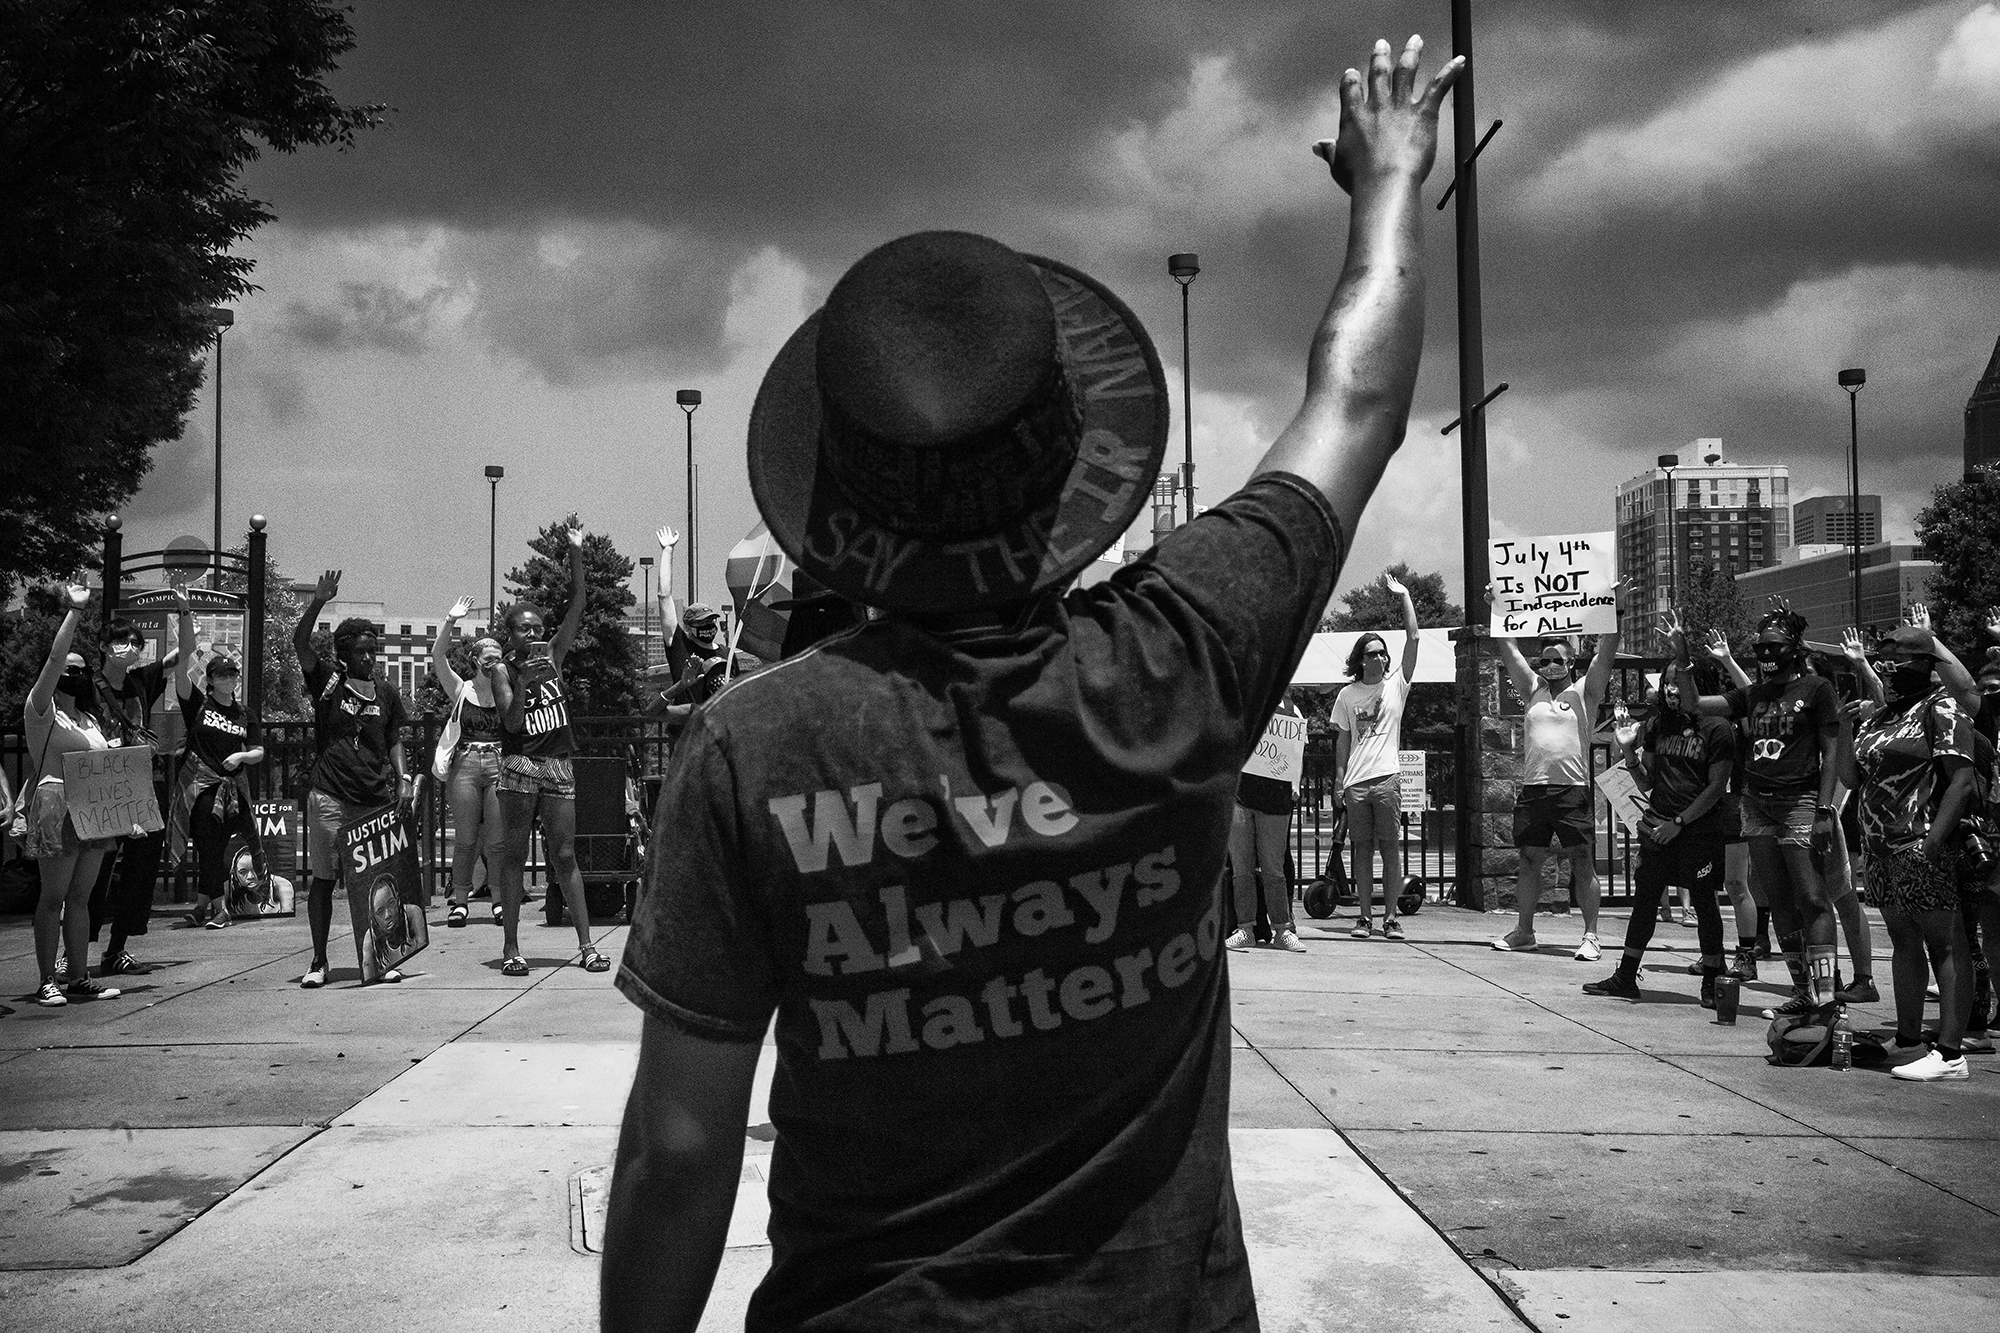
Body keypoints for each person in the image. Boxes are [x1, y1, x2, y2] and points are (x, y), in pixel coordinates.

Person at [601, 36, 1463, 1331]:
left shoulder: (751, 749)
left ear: (839, 501)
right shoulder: (1182, 653)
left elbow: (676, 1157)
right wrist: (1392, 182)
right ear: (1073, 469)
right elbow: (1359, 402)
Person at [1675, 606, 1842, 1016]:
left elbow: (1832, 751)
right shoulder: (1753, 695)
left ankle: (1826, 997)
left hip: (1800, 802)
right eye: (1760, 646)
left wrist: (1824, 810)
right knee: (1780, 901)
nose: (1766, 653)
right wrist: (1682, 658)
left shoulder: (1817, 689)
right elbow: (1695, 704)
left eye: (1774, 646)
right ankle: (1804, 991)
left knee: (1813, 898)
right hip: (1756, 802)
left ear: (1795, 647)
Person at [1848, 626, 1982, 1080]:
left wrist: (1931, 844)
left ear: (1923, 664)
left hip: (1921, 843)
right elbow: (1851, 778)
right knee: (1903, 940)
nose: (1885, 670)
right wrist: (1848, 730)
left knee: (1945, 944)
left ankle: (1950, 1054)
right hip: (1881, 848)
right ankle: (1907, 1039)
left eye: (1894, 663)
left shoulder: (1941, 706)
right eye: (1880, 663)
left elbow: (1960, 781)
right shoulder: (1880, 715)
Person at [493, 523, 608, 977]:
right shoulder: (503, 671)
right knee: (515, 853)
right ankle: (511, 948)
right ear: (510, 634)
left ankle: (586, 945)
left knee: (564, 855)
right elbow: (511, 722)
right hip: (522, 764)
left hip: (558, 764)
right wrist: (523, 681)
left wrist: (576, 552)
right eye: (524, 629)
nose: (534, 634)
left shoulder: (555, 656)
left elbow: (579, 604)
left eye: (538, 628)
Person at [294, 571, 413, 988]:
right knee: (324, 882)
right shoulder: (328, 680)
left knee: (375, 884)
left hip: (374, 798)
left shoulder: (386, 692)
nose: (370, 658)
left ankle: (382, 954)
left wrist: (404, 779)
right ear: (345, 654)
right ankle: (318, 961)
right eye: (362, 652)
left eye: (373, 651)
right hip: (330, 795)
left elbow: (395, 736)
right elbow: (300, 644)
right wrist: (319, 601)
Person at [1583, 676, 1733, 1004]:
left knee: (1705, 904)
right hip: (1657, 830)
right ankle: (1626, 975)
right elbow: (1647, 783)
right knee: (1645, 902)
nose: (1671, 690)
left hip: (1698, 832)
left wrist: (1679, 822)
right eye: (1667, 683)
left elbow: (1716, 787)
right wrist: (1627, 751)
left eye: (1679, 683)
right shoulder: (1657, 725)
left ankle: (1711, 981)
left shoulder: (1717, 727)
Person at [1488, 622, 1619, 961]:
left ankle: (1590, 935)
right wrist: (1496, 610)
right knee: (1530, 859)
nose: (1550, 667)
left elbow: (1606, 652)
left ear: (1571, 661)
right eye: (1544, 661)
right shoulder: (1533, 688)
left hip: (1571, 789)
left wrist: (1614, 611)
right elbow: (1509, 649)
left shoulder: (1585, 691)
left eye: (1557, 660)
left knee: (1581, 859)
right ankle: (1524, 932)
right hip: (1535, 788)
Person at [23, 583, 124, 1007]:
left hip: (93, 808)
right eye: (70, 666)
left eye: (81, 668)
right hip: (58, 801)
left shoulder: (87, 718)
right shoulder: (41, 710)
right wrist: (75, 613)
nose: (73, 673)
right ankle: (48, 978)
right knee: (54, 897)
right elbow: (52, 659)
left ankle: (79, 975)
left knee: (82, 898)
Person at [165, 586, 268, 929]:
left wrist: (241, 757)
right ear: (209, 681)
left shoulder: (245, 714)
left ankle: (200, 904)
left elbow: (259, 751)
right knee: (209, 839)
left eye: (233, 674)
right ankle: (220, 908)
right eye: (221, 675)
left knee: (215, 846)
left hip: (234, 792)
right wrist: (184, 612)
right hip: (200, 787)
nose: (229, 679)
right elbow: (181, 670)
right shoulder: (198, 704)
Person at [84, 613, 177, 973]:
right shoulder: (88, 685)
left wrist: (184, 613)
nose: (131, 648)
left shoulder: (140, 681)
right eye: (123, 641)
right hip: (100, 788)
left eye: (137, 643)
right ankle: (72, 952)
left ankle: (116, 948)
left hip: (138, 784)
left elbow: (181, 654)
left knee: (140, 869)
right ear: (105, 647)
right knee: (93, 871)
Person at [1332, 575, 1420, 939]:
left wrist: (1405, 596)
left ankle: (1390, 918)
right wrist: (1339, 782)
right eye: (1372, 653)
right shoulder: (1347, 695)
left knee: (1390, 849)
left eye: (1383, 652)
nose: (1380, 657)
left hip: (1387, 779)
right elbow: (1342, 740)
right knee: (1361, 851)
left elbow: (1413, 638)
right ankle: (1365, 918)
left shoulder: (1397, 685)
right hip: (1356, 782)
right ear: (1360, 660)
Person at [430, 598, 509, 928]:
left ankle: (500, 900)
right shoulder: (460, 689)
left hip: (498, 764)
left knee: (497, 840)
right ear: (475, 660)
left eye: (497, 659)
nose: (492, 663)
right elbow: (437, 657)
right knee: (464, 839)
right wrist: (450, 620)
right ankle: (460, 900)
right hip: (465, 764)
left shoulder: (507, 690)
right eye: (487, 658)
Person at [1224, 695, 1307, 953]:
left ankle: (1283, 929)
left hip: (1276, 801)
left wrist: (1295, 782)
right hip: (1240, 797)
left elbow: (1297, 753)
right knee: (1241, 869)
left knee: (1274, 870)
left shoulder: (1293, 712)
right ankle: (1245, 929)